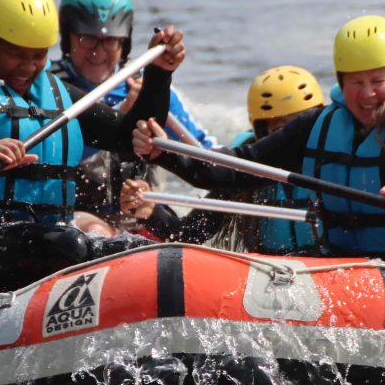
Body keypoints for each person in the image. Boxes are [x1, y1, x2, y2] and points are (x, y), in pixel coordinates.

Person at [132, 15, 385, 326]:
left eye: (378, 81)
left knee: (379, 292)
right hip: (360, 279)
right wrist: (164, 153)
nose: (367, 94)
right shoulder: (318, 128)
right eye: (356, 82)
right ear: (340, 83)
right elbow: (231, 169)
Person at [0, 0, 184, 295]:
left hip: (42, 241)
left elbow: (130, 136)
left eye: (38, 55)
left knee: (141, 251)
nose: (28, 67)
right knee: (69, 245)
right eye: (16, 54)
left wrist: (159, 74)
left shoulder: (56, 93)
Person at [50, 0, 215, 234]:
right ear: (68, 37)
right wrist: (122, 120)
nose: (98, 52)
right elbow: (47, 155)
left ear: (123, 42)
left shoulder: (149, 89)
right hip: (76, 217)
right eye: (87, 39)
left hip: (143, 214)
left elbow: (205, 153)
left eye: (109, 41)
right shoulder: (49, 87)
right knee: (96, 231)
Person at [120, 65, 326, 252]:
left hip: (328, 265)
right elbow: (190, 234)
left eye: (301, 129)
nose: (291, 141)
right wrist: (151, 212)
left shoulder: (333, 158)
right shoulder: (244, 169)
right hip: (271, 270)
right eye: (280, 130)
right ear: (261, 133)